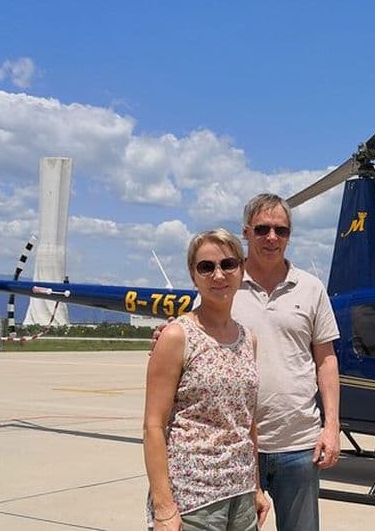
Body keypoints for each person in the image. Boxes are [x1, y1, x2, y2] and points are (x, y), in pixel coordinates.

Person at [153, 193, 340, 531]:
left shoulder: (311, 288)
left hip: (297, 443)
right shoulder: (223, 283)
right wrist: (165, 338)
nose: (272, 237)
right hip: (234, 452)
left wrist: (331, 426)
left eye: (281, 230)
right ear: (246, 233)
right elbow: (194, 330)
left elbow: (326, 360)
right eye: (262, 229)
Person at [144, 229, 270, 530]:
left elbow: (246, 422)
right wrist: (163, 507)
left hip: (240, 493)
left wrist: (256, 486)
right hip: (193, 499)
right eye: (206, 267)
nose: (218, 275)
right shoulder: (177, 335)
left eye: (228, 264)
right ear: (193, 275)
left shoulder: (247, 339)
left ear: (241, 270)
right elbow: (152, 426)